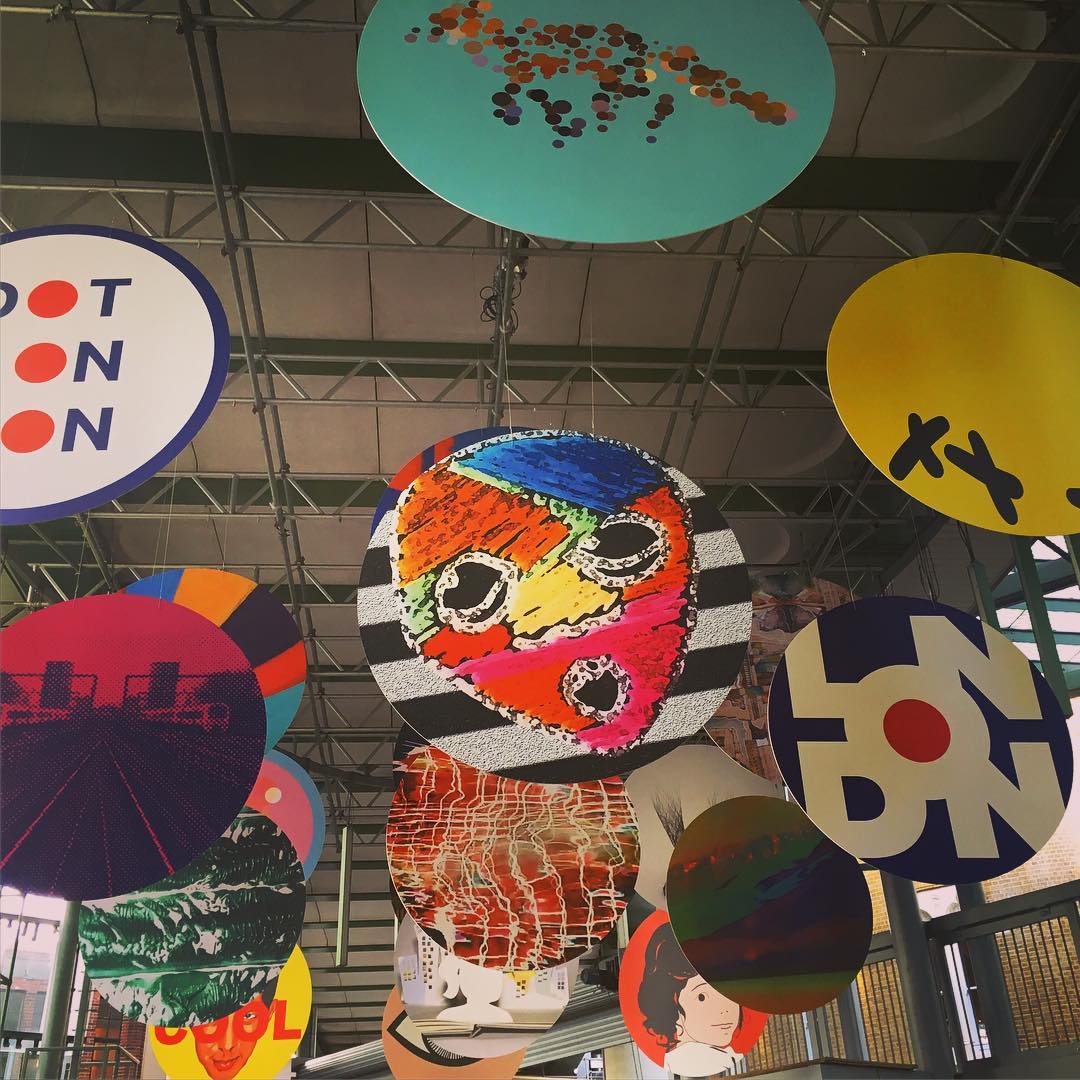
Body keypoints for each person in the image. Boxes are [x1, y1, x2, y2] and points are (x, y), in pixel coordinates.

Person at [638, 922, 764, 1076]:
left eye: (727, 990)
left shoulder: (723, 1057)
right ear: (671, 1004)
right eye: (702, 997)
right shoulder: (714, 1060)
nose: (725, 1009)